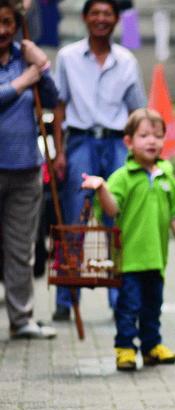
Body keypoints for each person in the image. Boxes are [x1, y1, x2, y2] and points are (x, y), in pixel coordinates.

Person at [52, 0, 146, 321]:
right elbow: (59, 106)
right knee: (73, 219)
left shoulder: (127, 61)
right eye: (95, 13)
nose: (101, 19)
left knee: (117, 219)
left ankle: (119, 297)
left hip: (117, 142)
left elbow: (137, 111)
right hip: (78, 141)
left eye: (108, 14)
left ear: (117, 20)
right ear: (85, 18)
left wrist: (141, 155)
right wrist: (59, 151)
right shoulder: (66, 57)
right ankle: (66, 297)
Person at [81, 108, 175, 372]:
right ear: (128, 142)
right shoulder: (122, 176)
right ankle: (125, 348)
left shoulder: (166, 175)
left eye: (157, 136)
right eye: (144, 136)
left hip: (157, 259)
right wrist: (101, 188)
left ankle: (152, 346)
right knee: (128, 306)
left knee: (153, 305)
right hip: (129, 259)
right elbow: (111, 209)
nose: (152, 141)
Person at [0, 0, 57, 339]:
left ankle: (21, 319)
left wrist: (42, 67)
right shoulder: (23, 71)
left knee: (21, 249)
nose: (3, 30)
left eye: (8, 22)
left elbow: (51, 97)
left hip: (25, 169)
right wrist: (23, 81)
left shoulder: (27, 56)